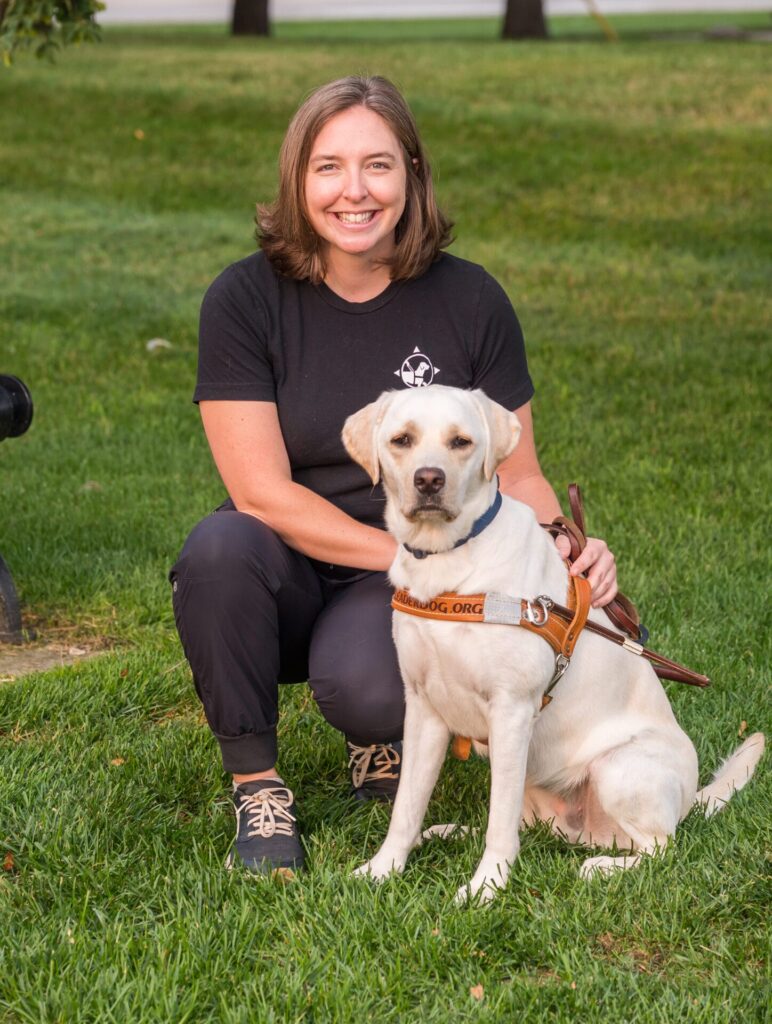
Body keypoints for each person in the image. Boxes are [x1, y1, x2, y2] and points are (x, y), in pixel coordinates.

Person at [170, 75, 617, 876]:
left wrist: (562, 553)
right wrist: (423, 566)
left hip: (417, 575)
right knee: (218, 549)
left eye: (378, 165)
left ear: (412, 174)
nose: (354, 191)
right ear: (297, 179)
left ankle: (380, 744)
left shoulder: (470, 299)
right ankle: (259, 785)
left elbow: (519, 473)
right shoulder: (244, 300)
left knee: (373, 692)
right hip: (296, 565)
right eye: (328, 167)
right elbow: (261, 493)